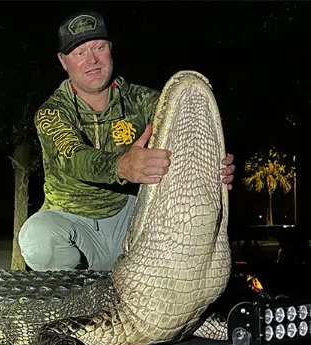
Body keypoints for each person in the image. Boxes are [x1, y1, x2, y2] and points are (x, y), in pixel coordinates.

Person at [18, 11, 236, 272]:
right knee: (36, 238)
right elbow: (73, 158)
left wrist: (213, 165)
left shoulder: (144, 101)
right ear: (63, 62)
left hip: (131, 219)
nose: (92, 60)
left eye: (99, 47)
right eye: (79, 53)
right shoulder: (52, 113)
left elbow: (186, 130)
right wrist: (122, 166)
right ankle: (77, 301)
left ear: (110, 49)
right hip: (73, 224)